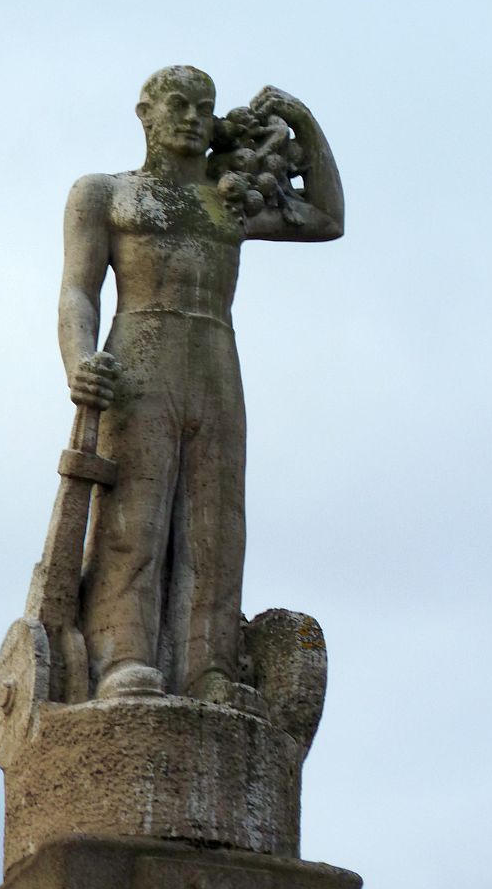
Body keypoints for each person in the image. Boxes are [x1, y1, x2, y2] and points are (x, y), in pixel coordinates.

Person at [58, 66, 344, 701]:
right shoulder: (104, 193)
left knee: (217, 522)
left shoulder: (230, 198)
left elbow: (327, 217)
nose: (191, 117)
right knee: (135, 510)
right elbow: (79, 289)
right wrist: (78, 359)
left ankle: (209, 668)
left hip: (215, 357)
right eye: (178, 105)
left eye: (203, 108)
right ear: (146, 114)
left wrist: (302, 119)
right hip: (139, 354)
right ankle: (123, 658)